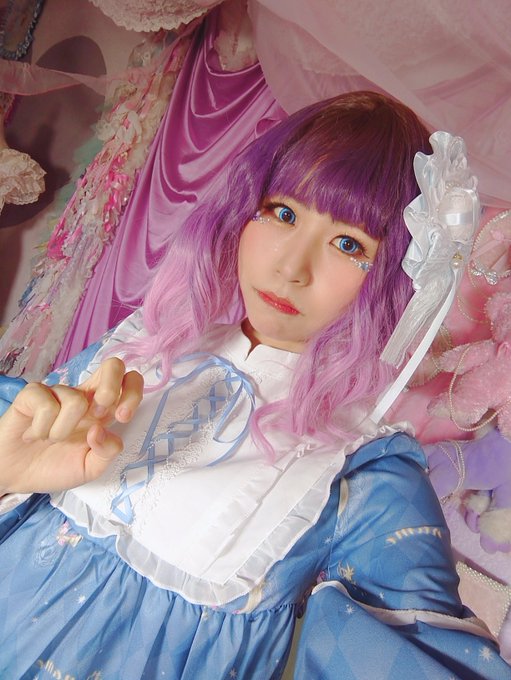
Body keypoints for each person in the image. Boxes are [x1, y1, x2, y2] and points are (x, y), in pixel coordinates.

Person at [0, 91, 509, 680]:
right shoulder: (142, 344)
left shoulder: (365, 470)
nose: (290, 267)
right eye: (282, 213)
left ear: (399, 276)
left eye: (350, 245)